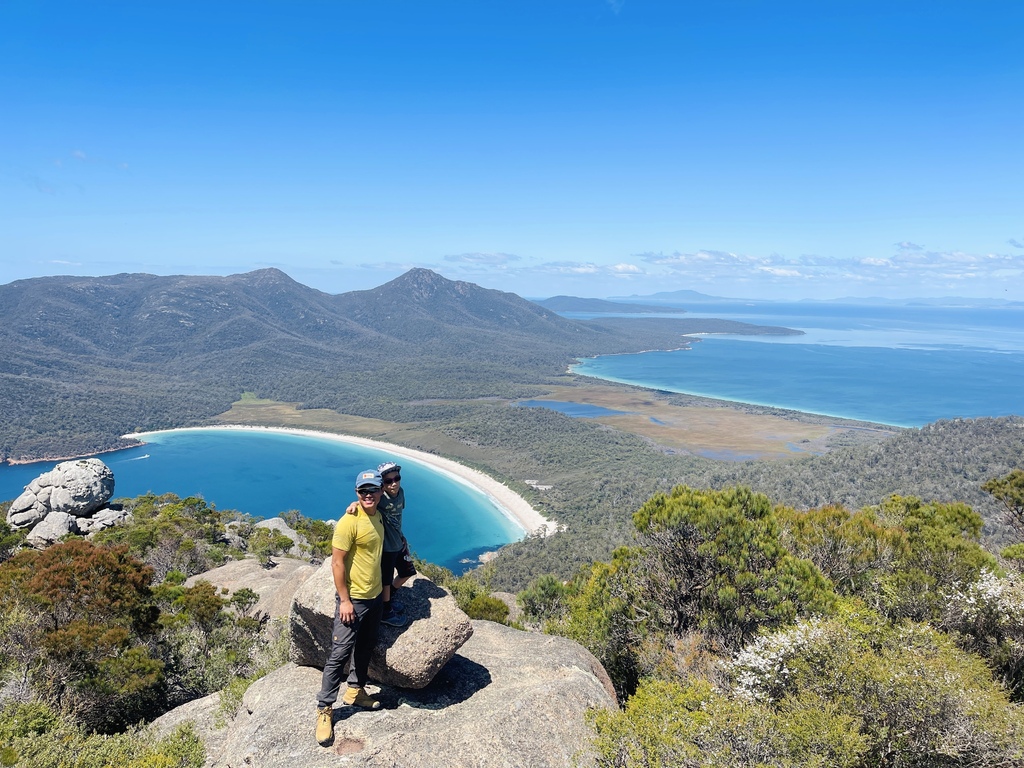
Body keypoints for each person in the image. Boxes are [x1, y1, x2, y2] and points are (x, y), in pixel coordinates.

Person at [315, 469, 386, 746]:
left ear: (381, 492)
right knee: (340, 653)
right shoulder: (348, 522)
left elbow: (397, 495)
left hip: (375, 596)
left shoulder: (378, 514)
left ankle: (355, 691)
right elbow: (337, 563)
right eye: (362, 491)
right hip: (353, 600)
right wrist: (344, 600)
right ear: (356, 493)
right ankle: (324, 708)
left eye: (373, 490)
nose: (368, 495)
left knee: (366, 645)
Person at [346, 460, 416, 627]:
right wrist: (353, 504)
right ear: (382, 485)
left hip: (399, 542)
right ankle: (385, 611)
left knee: (407, 572)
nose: (394, 483)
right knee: (386, 579)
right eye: (388, 481)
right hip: (386, 547)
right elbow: (365, 501)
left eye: (397, 478)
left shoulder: (401, 493)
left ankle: (388, 599)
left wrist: (402, 535)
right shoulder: (380, 499)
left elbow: (398, 517)